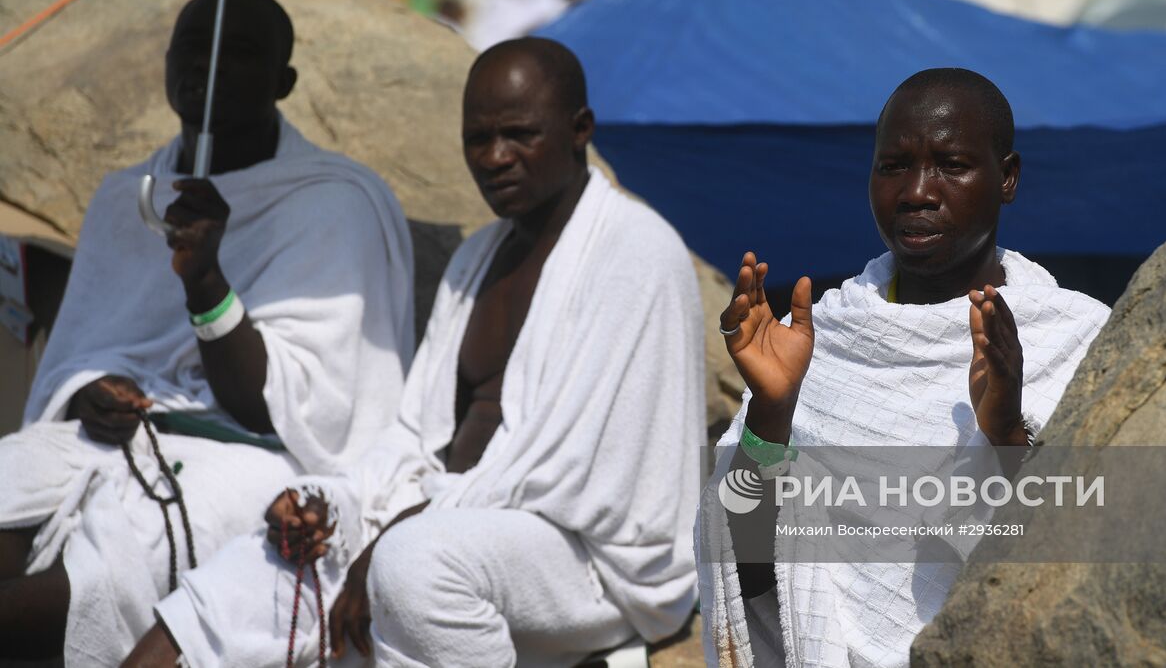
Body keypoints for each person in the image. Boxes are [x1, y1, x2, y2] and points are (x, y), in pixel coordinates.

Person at [124, 37, 705, 668]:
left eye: (519, 135)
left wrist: (391, 539)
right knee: (258, 563)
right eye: (477, 139)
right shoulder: (475, 259)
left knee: (415, 569)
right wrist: (337, 510)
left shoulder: (637, 253)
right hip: (450, 517)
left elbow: (571, 474)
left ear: (579, 130)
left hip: (589, 562)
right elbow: (414, 437)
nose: (495, 158)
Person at [0, 0, 414, 665]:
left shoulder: (335, 203)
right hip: (110, 436)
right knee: (11, 474)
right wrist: (91, 392)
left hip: (246, 456)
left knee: (120, 556)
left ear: (283, 82)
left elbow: (292, 413)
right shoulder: (124, 198)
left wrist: (206, 281)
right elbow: (75, 360)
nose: (208, 64)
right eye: (193, 47)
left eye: (239, 52)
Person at [696, 68, 1112, 667]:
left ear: (1008, 177)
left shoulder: (1073, 340)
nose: (917, 190)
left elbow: (1083, 571)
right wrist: (772, 412)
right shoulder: (826, 339)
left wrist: (1005, 439)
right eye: (894, 166)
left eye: (951, 164)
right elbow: (750, 580)